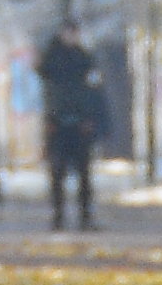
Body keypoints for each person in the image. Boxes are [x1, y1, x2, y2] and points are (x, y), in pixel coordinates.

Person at [32, 22, 106, 231]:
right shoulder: (52, 58)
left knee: (84, 173)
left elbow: (92, 91)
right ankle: (58, 215)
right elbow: (44, 79)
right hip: (57, 123)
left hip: (80, 123)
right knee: (57, 173)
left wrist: (90, 117)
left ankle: (85, 216)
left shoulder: (83, 58)